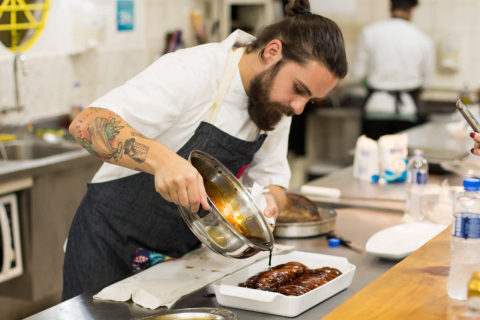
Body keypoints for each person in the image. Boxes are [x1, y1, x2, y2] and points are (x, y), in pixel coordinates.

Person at [62, 0, 347, 300]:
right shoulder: (193, 71)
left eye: (310, 100)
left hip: (178, 264)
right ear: (272, 52)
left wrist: (268, 205)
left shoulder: (277, 104)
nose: (299, 108)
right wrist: (162, 161)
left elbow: (273, 179)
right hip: (107, 249)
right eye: (299, 89)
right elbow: (86, 124)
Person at [353, 0, 435, 140]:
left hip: (376, 107)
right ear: (411, 11)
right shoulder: (423, 39)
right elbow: (427, 81)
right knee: (401, 157)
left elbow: (357, 74)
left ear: (390, 8)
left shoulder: (369, 33)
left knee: (372, 156)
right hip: (407, 110)